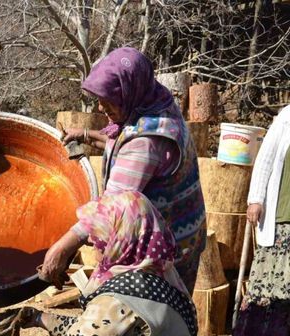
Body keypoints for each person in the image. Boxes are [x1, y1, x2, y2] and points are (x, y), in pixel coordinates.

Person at [0, 191, 198, 336]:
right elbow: (95, 331)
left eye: (100, 236)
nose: (93, 243)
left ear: (119, 237)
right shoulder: (159, 276)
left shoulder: (123, 295)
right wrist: (39, 319)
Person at [61, 47, 206, 293]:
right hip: (184, 230)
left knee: (159, 319)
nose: (100, 108)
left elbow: (111, 209)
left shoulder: (148, 140)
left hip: (167, 247)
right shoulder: (153, 101)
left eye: (108, 101)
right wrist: (86, 135)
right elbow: (123, 143)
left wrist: (61, 249)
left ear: (129, 92)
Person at [233, 105, 290, 336]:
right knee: (267, 290)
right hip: (281, 220)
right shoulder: (286, 117)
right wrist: (255, 199)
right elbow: (266, 159)